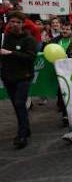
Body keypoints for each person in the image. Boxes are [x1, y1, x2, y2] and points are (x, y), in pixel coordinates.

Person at [1, 10, 38, 149]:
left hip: (24, 76)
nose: (15, 24)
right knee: (17, 106)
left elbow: (30, 57)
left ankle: (22, 135)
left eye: (18, 22)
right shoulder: (5, 38)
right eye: (12, 22)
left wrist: (11, 53)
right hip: (8, 77)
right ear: (8, 23)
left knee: (19, 103)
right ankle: (26, 128)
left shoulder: (28, 39)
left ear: (23, 24)